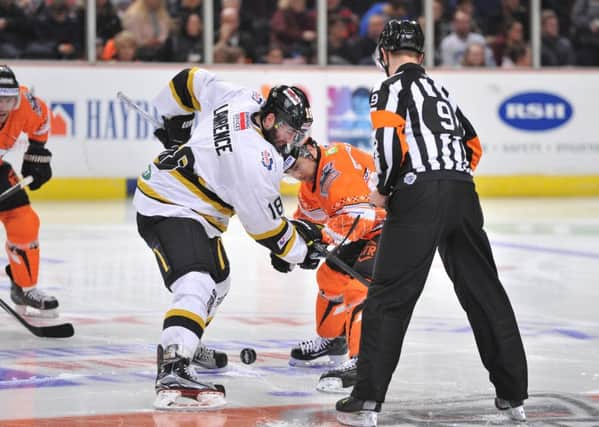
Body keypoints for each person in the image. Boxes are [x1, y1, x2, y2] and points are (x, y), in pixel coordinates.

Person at [335, 20, 528, 427]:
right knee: (484, 293)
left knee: (389, 297)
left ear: (384, 54)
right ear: (421, 57)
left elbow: (390, 143)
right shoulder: (440, 90)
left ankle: (367, 400)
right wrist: (451, 176)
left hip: (417, 194)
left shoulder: (388, 88)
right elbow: (473, 145)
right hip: (462, 192)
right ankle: (513, 396)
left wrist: (386, 188)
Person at [133, 67, 323, 411]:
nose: (290, 141)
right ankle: (174, 366)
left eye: (297, 134)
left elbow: (191, 80)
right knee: (197, 283)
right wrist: (301, 251)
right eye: (286, 131)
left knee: (219, 282)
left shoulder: (242, 98)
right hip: (170, 204)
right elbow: (265, 229)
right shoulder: (256, 159)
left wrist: (170, 117)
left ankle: (188, 340)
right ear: (268, 119)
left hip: (187, 203)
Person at [273, 138, 385, 393]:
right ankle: (334, 340)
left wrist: (319, 238)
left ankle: (362, 363)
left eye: (296, 167)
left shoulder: (338, 162)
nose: (296, 175)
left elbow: (360, 216)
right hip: (366, 231)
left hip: (391, 226)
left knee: (359, 289)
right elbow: (305, 225)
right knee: (329, 277)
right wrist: (288, 252)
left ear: (310, 151)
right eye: (289, 173)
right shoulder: (309, 185)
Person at [0, 65, 57, 316]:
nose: (3, 107)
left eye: (9, 100)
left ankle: (24, 286)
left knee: (24, 220)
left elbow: (42, 119)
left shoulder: (27, 105)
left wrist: (37, 152)